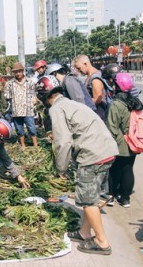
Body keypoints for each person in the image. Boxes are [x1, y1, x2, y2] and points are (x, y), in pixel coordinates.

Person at [35, 75, 118, 255]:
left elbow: (62, 142)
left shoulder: (56, 109)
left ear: (44, 96)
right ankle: (84, 232)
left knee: (88, 200)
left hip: (93, 155)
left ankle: (102, 242)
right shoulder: (72, 103)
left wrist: (61, 169)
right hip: (107, 150)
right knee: (92, 198)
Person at [105, 73, 143, 208]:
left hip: (119, 142)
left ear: (117, 86)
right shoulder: (134, 102)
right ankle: (125, 198)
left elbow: (112, 127)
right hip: (133, 141)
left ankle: (110, 196)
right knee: (128, 169)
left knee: (112, 169)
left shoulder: (116, 104)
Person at [3, 62, 38, 147]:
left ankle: (35, 145)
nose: (18, 73)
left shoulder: (29, 82)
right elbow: (6, 95)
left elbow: (34, 93)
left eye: (19, 71)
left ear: (23, 71)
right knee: (19, 130)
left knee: (32, 128)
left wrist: (35, 99)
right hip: (16, 110)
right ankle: (23, 145)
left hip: (28, 109)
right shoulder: (10, 83)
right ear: (13, 73)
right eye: (16, 72)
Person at [73, 54, 111, 121]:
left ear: (85, 64)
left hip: (99, 113)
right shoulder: (89, 76)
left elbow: (97, 99)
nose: (79, 71)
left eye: (79, 68)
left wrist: (82, 104)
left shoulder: (95, 78)